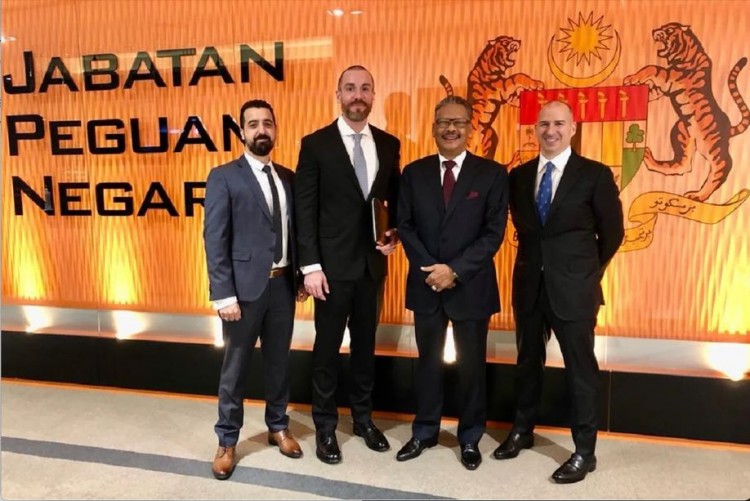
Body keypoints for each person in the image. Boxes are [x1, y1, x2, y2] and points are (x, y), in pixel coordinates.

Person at [494, 101, 624, 483]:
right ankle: (522, 431)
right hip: (530, 285)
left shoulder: (595, 175)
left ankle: (585, 451)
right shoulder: (518, 176)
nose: (550, 131)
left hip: (575, 290)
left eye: (558, 124)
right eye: (544, 124)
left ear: (573, 127)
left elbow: (613, 235)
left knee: (580, 371)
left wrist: (583, 272)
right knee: (526, 363)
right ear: (535, 129)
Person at [395, 95, 509, 470]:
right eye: (443, 122)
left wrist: (454, 270)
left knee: (471, 365)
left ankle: (470, 436)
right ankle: (425, 431)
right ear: (433, 128)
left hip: (470, 285)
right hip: (427, 284)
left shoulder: (491, 174)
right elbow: (406, 227)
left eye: (458, 122)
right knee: (427, 363)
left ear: (470, 128)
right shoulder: (413, 173)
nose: (450, 129)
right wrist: (433, 269)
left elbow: (493, 234)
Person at [295, 65, 401, 464]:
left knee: (365, 350)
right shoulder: (315, 144)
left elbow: (395, 200)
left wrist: (396, 234)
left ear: (373, 95)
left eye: (366, 88)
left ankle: (362, 419)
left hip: (372, 268)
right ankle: (325, 426)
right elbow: (304, 211)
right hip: (330, 271)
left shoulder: (389, 145)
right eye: (351, 88)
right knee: (326, 351)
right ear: (338, 94)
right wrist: (310, 266)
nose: (359, 95)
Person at [203, 99, 307, 481]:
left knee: (279, 362)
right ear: (242, 132)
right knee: (235, 368)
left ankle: (278, 426)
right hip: (242, 293)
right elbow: (215, 238)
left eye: (267, 123)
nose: (261, 130)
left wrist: (299, 278)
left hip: (282, 287)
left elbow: (295, 233)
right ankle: (227, 439)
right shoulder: (223, 176)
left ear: (275, 129)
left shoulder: (289, 177)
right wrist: (223, 294)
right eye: (253, 124)